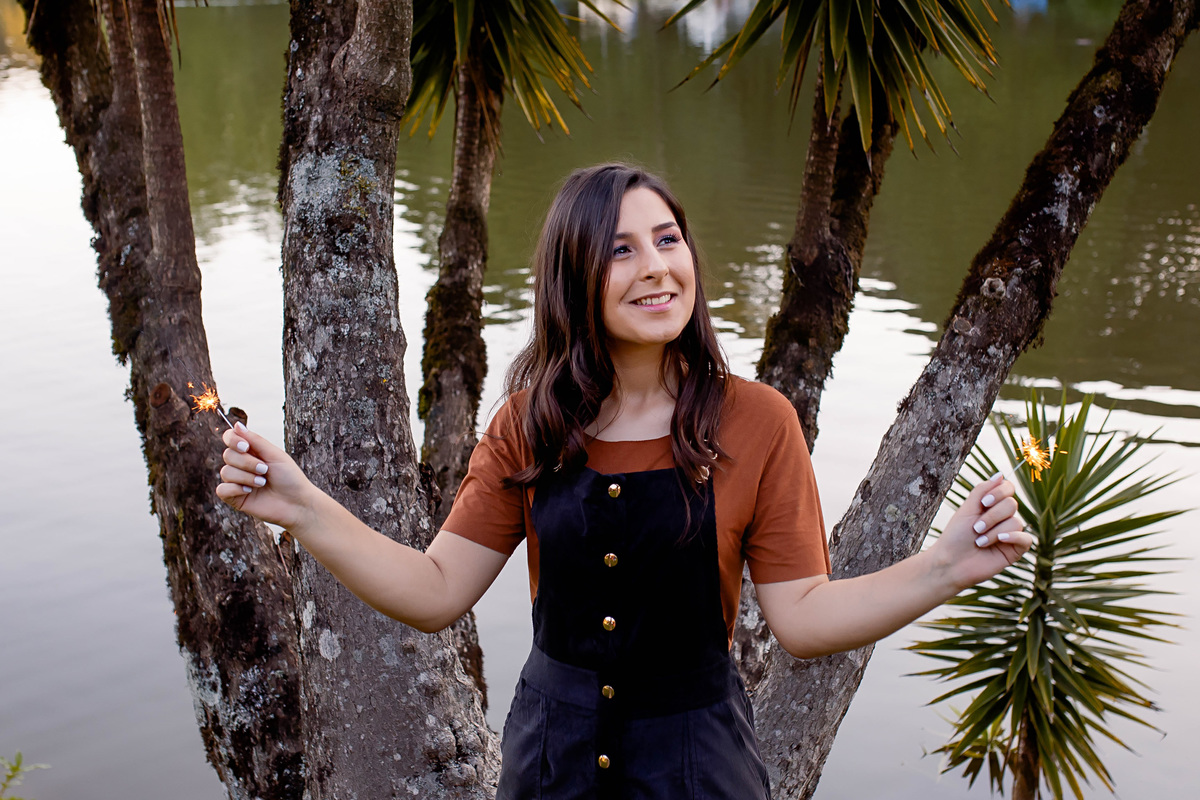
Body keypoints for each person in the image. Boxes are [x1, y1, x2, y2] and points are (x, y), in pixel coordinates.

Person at [216, 163, 1030, 799]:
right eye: (621, 249)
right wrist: (302, 508)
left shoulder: (758, 421)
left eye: (668, 240)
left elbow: (805, 616)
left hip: (698, 773)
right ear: (574, 275)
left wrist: (946, 565)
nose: (657, 268)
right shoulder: (529, 423)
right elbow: (434, 591)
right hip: (550, 768)